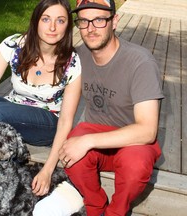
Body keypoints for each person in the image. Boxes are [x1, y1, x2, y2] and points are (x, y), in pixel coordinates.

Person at [0, 0, 82, 197]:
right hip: (13, 108)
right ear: (36, 21)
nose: (52, 27)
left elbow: (66, 121)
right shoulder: (13, 45)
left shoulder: (72, 62)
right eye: (46, 19)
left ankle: (2, 175)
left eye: (60, 20)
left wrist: (48, 169)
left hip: (47, 122)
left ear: (67, 26)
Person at [56, 0, 164, 215]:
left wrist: (88, 141)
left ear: (114, 21)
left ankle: (116, 211)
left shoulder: (140, 61)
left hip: (134, 140)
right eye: (84, 21)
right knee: (70, 152)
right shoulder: (78, 57)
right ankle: (95, 205)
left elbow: (147, 130)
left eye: (99, 19)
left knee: (135, 166)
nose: (91, 28)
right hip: (97, 133)